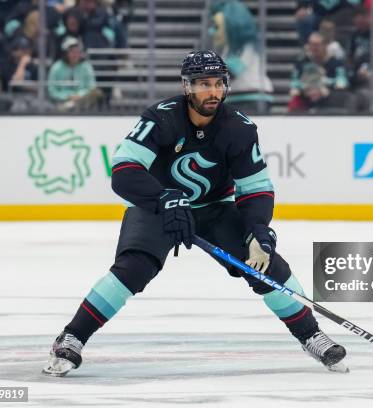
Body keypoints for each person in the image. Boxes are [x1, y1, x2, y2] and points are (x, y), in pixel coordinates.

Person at [42, 50, 348, 377]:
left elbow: (256, 187)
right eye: (204, 84)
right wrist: (163, 198)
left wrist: (258, 228)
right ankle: (72, 336)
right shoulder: (160, 118)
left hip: (215, 209)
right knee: (134, 268)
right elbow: (123, 170)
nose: (213, 92)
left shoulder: (240, 129)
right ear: (187, 86)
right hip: (157, 208)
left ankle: (311, 335)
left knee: (266, 263)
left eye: (218, 84)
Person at [47, 37, 103, 111]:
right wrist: (67, 96)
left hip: (83, 101)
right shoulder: (56, 68)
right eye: (72, 51)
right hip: (62, 102)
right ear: (65, 53)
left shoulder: (86, 66)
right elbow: (52, 91)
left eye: (77, 51)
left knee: (97, 93)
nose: (75, 54)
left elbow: (91, 86)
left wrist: (79, 95)